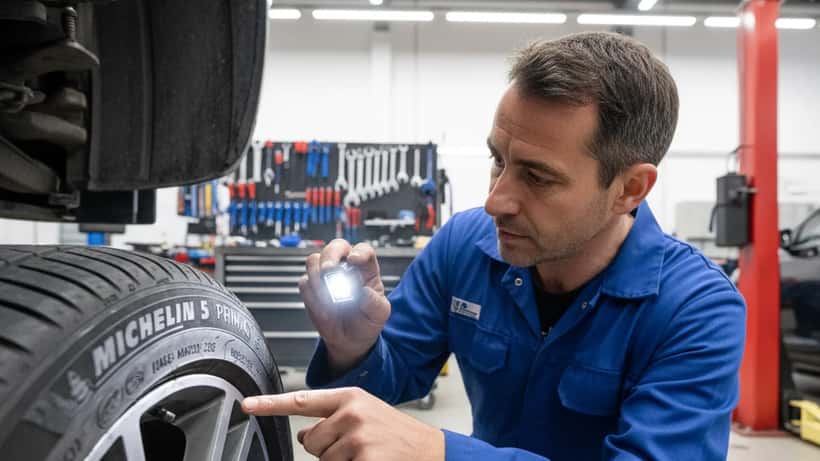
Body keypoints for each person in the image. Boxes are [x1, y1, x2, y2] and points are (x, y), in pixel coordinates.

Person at [242, 31, 746, 461]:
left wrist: (441, 451)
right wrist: (353, 346)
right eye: (498, 161)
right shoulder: (465, 246)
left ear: (630, 189)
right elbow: (389, 381)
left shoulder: (696, 310)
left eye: (538, 177)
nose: (495, 201)